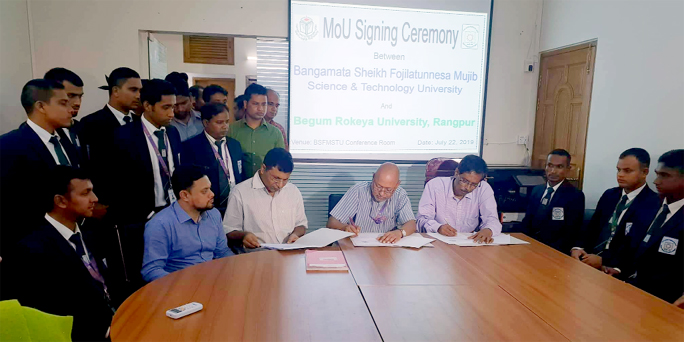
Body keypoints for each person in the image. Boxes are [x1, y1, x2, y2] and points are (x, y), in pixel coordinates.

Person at [6, 166, 114, 341]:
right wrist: (105, 331)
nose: (95, 199)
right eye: (86, 193)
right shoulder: (31, 251)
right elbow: (49, 313)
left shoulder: (90, 233)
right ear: (61, 201)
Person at [0, 79, 80, 254]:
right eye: (63, 103)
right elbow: (7, 205)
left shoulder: (66, 140)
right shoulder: (9, 145)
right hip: (35, 246)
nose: (71, 109)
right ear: (41, 107)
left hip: (73, 236)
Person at [106, 79, 181, 225]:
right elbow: (117, 181)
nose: (171, 113)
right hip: (141, 217)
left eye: (173, 107)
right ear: (147, 105)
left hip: (174, 211)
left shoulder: (173, 133)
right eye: (165, 107)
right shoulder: (124, 136)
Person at [142, 165, 234, 282]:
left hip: (213, 281)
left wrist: (236, 268)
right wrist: (184, 284)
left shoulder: (213, 215)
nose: (212, 194)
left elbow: (222, 252)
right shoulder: (160, 224)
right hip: (180, 288)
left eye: (210, 189)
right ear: (185, 195)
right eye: (204, 191)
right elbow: (151, 270)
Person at [573, 148, 660, 270]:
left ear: (644, 172)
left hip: (616, 266)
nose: (620, 175)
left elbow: (636, 244)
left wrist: (605, 261)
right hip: (588, 258)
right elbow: (592, 227)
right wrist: (578, 248)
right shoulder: (610, 195)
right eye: (618, 170)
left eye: (627, 171)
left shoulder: (654, 203)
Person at [618, 149, 684, 306]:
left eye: (665, 176)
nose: (656, 181)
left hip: (663, 303)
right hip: (628, 289)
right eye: (657, 174)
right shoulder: (650, 205)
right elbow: (630, 246)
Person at [223, 148, 307, 249]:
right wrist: (244, 236)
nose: (280, 185)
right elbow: (229, 230)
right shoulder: (240, 192)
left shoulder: (293, 191)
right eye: (276, 178)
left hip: (288, 253)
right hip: (256, 255)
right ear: (263, 169)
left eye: (285, 180)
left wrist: (295, 235)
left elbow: (301, 225)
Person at [417, 155, 502, 243]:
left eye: (474, 185)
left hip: (470, 243)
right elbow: (422, 220)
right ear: (456, 172)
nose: (468, 188)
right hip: (439, 242)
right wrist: (438, 227)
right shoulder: (435, 185)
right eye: (464, 181)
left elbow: (492, 218)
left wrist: (488, 230)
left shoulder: (483, 188)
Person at [328, 163, 417, 244]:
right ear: (373, 177)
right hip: (357, 247)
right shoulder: (358, 191)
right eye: (378, 186)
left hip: (386, 247)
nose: (381, 193)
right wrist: (344, 227)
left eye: (388, 190)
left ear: (397, 185)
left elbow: (411, 224)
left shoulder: (400, 195)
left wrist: (400, 233)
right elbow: (331, 222)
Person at [182, 103, 245, 216]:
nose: (225, 126)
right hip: (207, 208)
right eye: (219, 122)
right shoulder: (191, 147)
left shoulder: (235, 145)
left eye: (227, 121)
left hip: (235, 206)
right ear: (206, 123)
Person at [520, 149, 585, 253]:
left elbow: (571, 233)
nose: (553, 171)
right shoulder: (537, 190)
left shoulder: (574, 195)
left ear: (568, 169)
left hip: (554, 251)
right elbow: (527, 222)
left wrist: (545, 251)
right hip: (530, 247)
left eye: (559, 167)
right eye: (550, 165)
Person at [80, 67, 142, 162]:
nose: (138, 96)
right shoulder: (91, 123)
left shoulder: (141, 122)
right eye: (133, 90)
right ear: (116, 91)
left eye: (139, 91)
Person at [228, 83, 285, 177]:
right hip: (239, 186)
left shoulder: (275, 133)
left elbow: (281, 163)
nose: (260, 109)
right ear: (245, 104)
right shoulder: (232, 130)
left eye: (264, 104)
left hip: (266, 186)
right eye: (255, 104)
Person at [43, 67, 85, 154]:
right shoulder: (35, 135)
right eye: (70, 96)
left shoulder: (82, 128)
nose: (78, 103)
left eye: (80, 96)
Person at [166, 72, 203, 141]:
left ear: (191, 98)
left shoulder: (203, 119)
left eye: (183, 103)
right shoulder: (166, 124)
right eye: (175, 105)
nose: (180, 109)